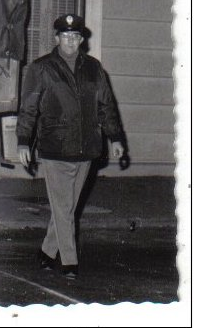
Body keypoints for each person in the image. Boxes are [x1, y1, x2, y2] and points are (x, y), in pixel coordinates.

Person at [16, 14, 126, 280]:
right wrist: (23, 141)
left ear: (81, 40)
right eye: (65, 36)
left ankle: (46, 252)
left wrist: (115, 138)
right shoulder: (41, 68)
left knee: (66, 208)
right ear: (56, 38)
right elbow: (29, 108)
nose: (70, 41)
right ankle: (69, 262)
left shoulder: (94, 68)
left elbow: (106, 106)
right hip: (56, 149)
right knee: (64, 208)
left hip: (87, 149)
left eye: (75, 36)